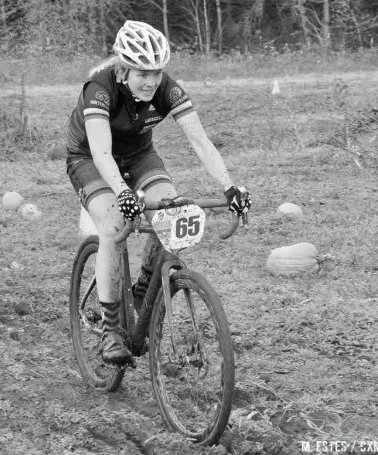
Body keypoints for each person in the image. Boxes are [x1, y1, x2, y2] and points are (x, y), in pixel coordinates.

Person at [65, 20, 251, 365]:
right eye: (142, 73)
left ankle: (142, 292)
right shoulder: (99, 87)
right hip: (90, 157)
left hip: (139, 155)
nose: (151, 81)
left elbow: (200, 140)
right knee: (111, 227)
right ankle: (110, 330)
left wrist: (230, 186)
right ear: (123, 68)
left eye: (156, 72)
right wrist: (122, 192)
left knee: (172, 211)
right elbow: (102, 152)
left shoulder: (166, 88)